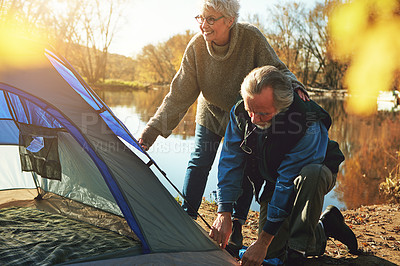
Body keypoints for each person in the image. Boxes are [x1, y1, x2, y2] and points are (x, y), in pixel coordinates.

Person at [138, 0, 307, 253]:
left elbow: (277, 69)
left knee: (245, 169)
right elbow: (178, 95)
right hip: (212, 112)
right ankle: (188, 217)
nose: (203, 25)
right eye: (200, 18)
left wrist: (295, 85)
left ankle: (236, 223)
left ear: (229, 20)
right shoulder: (196, 48)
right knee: (199, 161)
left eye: (210, 19)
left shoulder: (251, 38)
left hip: (244, 116)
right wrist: (151, 131)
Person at [209, 65, 358, 265]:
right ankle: (326, 226)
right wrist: (224, 211)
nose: (253, 119)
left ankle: (299, 251)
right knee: (272, 253)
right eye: (250, 110)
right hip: (274, 177)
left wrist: (262, 241)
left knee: (310, 174)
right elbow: (230, 161)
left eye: (262, 114)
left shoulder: (307, 121)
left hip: (313, 173)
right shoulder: (241, 113)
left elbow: (288, 181)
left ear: (282, 106)